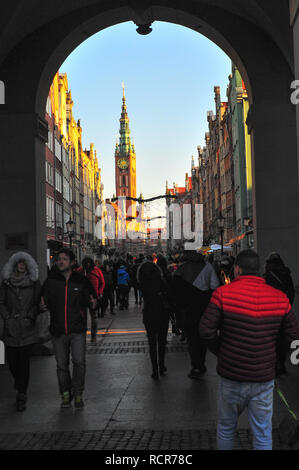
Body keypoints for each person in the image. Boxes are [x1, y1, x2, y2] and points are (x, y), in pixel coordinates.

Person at [199, 249, 299, 450]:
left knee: (226, 427)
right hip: (263, 377)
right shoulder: (279, 298)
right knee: (262, 431)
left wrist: (222, 351)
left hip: (231, 376)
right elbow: (292, 334)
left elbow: (206, 330)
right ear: (259, 269)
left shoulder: (222, 295)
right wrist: (275, 353)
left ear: (237, 269)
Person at [41, 248, 97, 409]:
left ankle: (78, 392)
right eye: (59, 259)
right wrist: (41, 305)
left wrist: (93, 302)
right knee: (61, 366)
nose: (61, 261)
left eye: (65, 259)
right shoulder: (51, 281)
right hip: (58, 330)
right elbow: (43, 300)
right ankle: (65, 394)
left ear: (72, 262)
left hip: (77, 329)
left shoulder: (81, 280)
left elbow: (92, 298)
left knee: (79, 362)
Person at [0, 252, 41, 411]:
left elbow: (37, 302)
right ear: (14, 265)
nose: (22, 266)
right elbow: (1, 302)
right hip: (11, 328)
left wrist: (30, 316)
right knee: (12, 362)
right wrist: (7, 317)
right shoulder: (6, 283)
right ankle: (19, 383)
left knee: (24, 363)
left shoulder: (33, 283)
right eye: (19, 263)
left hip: (27, 328)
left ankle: (22, 393)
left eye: (25, 264)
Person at [173, 250, 220, 379]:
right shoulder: (207, 266)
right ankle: (202, 362)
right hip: (204, 307)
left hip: (188, 309)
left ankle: (196, 365)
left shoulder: (181, 269)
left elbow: (175, 291)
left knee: (192, 338)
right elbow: (215, 286)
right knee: (202, 336)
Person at [137, 258, 170, 379]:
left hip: (149, 315)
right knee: (161, 342)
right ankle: (162, 365)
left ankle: (154, 369)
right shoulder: (161, 282)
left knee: (152, 343)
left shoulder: (143, 284)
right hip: (162, 314)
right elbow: (169, 295)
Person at [264, 252, 296, 375]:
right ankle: (281, 363)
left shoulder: (267, 275)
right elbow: (291, 291)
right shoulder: (286, 274)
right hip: (283, 309)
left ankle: (273, 363)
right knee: (283, 336)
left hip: (271, 311)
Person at [77, 257, 105, 343]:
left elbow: (102, 282)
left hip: (94, 297)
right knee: (83, 317)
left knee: (94, 317)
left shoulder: (96, 271)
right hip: (82, 297)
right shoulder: (79, 271)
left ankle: (93, 335)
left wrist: (99, 293)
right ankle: (83, 335)